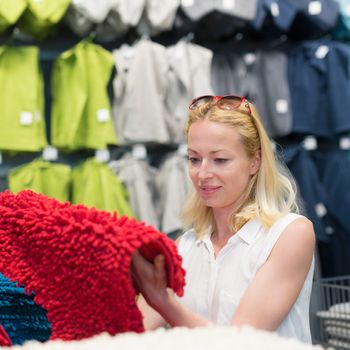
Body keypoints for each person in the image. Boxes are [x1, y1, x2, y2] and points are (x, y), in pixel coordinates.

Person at [131, 95, 315, 343]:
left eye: (220, 160)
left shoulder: (290, 234)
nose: (202, 174)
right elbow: (133, 328)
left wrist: (166, 304)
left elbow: (240, 342)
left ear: (254, 162)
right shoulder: (185, 247)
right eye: (194, 159)